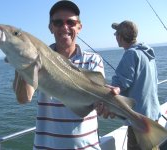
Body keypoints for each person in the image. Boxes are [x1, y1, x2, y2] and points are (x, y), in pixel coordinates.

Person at [13, 1, 117, 149]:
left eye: (71, 22)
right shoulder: (37, 58)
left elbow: (96, 98)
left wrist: (106, 103)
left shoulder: (93, 60)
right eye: (58, 22)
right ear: (50, 27)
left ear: (79, 27)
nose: (65, 27)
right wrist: (21, 65)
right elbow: (24, 98)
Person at [111, 20, 161, 150]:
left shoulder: (130, 54)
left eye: (116, 33)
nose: (115, 36)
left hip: (139, 119)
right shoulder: (147, 53)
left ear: (121, 37)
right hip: (152, 114)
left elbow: (120, 85)